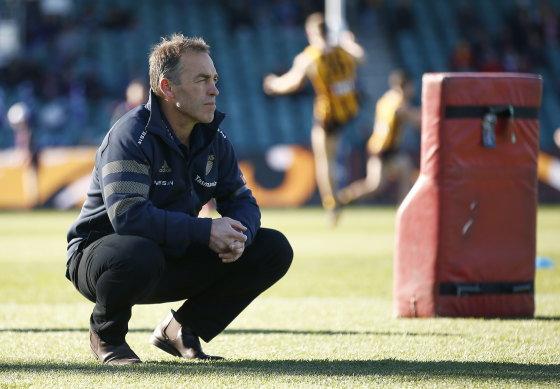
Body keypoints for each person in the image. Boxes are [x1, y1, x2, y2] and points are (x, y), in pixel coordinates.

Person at [65, 34, 293, 365]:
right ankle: (107, 335)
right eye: (201, 80)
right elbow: (129, 217)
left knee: (272, 248)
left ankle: (182, 330)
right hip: (103, 256)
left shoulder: (215, 137)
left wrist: (238, 233)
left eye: (214, 80)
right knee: (139, 251)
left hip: (168, 253)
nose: (214, 89)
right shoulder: (130, 135)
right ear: (167, 88)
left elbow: (241, 200)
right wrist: (205, 232)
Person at [263, 12, 365, 223]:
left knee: (324, 161)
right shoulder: (343, 48)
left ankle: (332, 206)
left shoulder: (309, 57)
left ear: (311, 33)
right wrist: (350, 41)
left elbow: (292, 83)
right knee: (334, 155)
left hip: (328, 115)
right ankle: (340, 196)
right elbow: (362, 58)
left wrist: (273, 84)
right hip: (349, 110)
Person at [337, 69, 420, 207]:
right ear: (405, 86)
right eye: (411, 87)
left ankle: (403, 207)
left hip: (379, 146)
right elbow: (417, 122)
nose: (412, 90)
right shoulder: (400, 104)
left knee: (404, 171)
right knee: (375, 186)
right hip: (384, 149)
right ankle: (343, 197)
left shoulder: (386, 99)